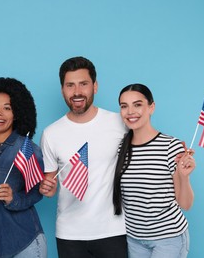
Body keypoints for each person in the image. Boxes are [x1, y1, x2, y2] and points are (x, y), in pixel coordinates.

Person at [39, 56, 128, 257]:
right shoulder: (51, 133)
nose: (77, 92)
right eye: (70, 85)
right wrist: (47, 188)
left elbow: (146, 140)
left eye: (83, 84)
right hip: (70, 234)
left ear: (95, 86)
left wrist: (173, 147)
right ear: (62, 89)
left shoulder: (119, 123)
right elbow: (50, 185)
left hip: (113, 230)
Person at [113, 83, 195, 258]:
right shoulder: (122, 148)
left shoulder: (170, 146)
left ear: (151, 107)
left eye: (137, 104)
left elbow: (186, 204)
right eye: (124, 106)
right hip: (135, 239)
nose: (130, 112)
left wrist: (183, 176)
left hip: (169, 238)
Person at [0, 77, 47, 258]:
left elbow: (38, 190)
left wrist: (14, 199)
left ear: (17, 113)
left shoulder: (26, 148)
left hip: (23, 240)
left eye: (7, 108)